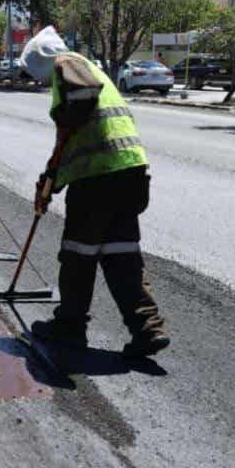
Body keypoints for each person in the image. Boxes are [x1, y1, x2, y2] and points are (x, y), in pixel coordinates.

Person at [16, 26, 170, 359]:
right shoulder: (91, 68)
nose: (40, 82)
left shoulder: (66, 64)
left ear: (42, 61)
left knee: (78, 255)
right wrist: (49, 181)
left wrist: (65, 118)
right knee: (122, 256)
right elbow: (67, 144)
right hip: (130, 173)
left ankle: (70, 325)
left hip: (97, 180)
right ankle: (147, 328)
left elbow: (79, 108)